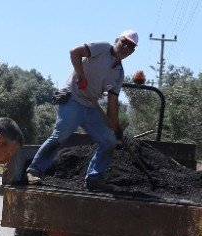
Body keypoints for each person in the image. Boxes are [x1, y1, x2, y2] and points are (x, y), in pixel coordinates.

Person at [25, 29, 139, 192]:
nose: (125, 47)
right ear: (117, 40)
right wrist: (81, 76)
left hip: (91, 106)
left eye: (130, 46)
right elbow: (75, 52)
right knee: (61, 135)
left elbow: (112, 102)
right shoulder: (102, 48)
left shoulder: (119, 73)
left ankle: (94, 179)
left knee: (109, 141)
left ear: (132, 52)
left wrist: (117, 127)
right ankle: (33, 171)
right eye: (124, 42)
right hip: (73, 99)